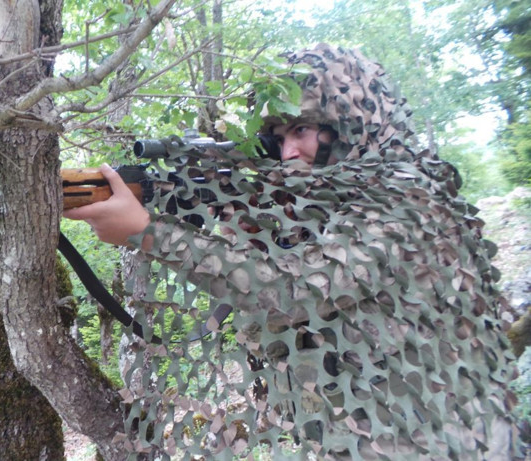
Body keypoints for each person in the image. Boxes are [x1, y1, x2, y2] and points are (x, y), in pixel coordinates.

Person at [65, 43, 521, 460]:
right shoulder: (337, 201)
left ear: (351, 119)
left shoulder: (402, 194)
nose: (287, 152)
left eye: (301, 129)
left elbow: (293, 294)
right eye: (277, 139)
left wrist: (147, 233)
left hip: (447, 442)